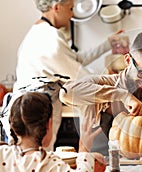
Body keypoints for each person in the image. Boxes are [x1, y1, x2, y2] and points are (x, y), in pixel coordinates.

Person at [1, 0, 121, 151]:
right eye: (70, 8)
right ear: (57, 7)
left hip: (24, 109)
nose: (72, 14)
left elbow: (74, 59)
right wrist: (114, 82)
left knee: (26, 164)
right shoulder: (50, 40)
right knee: (38, 161)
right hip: (34, 113)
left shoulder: (40, 32)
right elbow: (78, 74)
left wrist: (108, 43)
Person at [59, 31, 142, 156]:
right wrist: (123, 96)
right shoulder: (100, 85)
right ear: (128, 60)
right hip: (100, 171)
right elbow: (65, 93)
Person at [0, 92, 106, 172]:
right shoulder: (47, 161)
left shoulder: (2, 154)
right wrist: (84, 148)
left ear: (13, 126)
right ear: (49, 124)